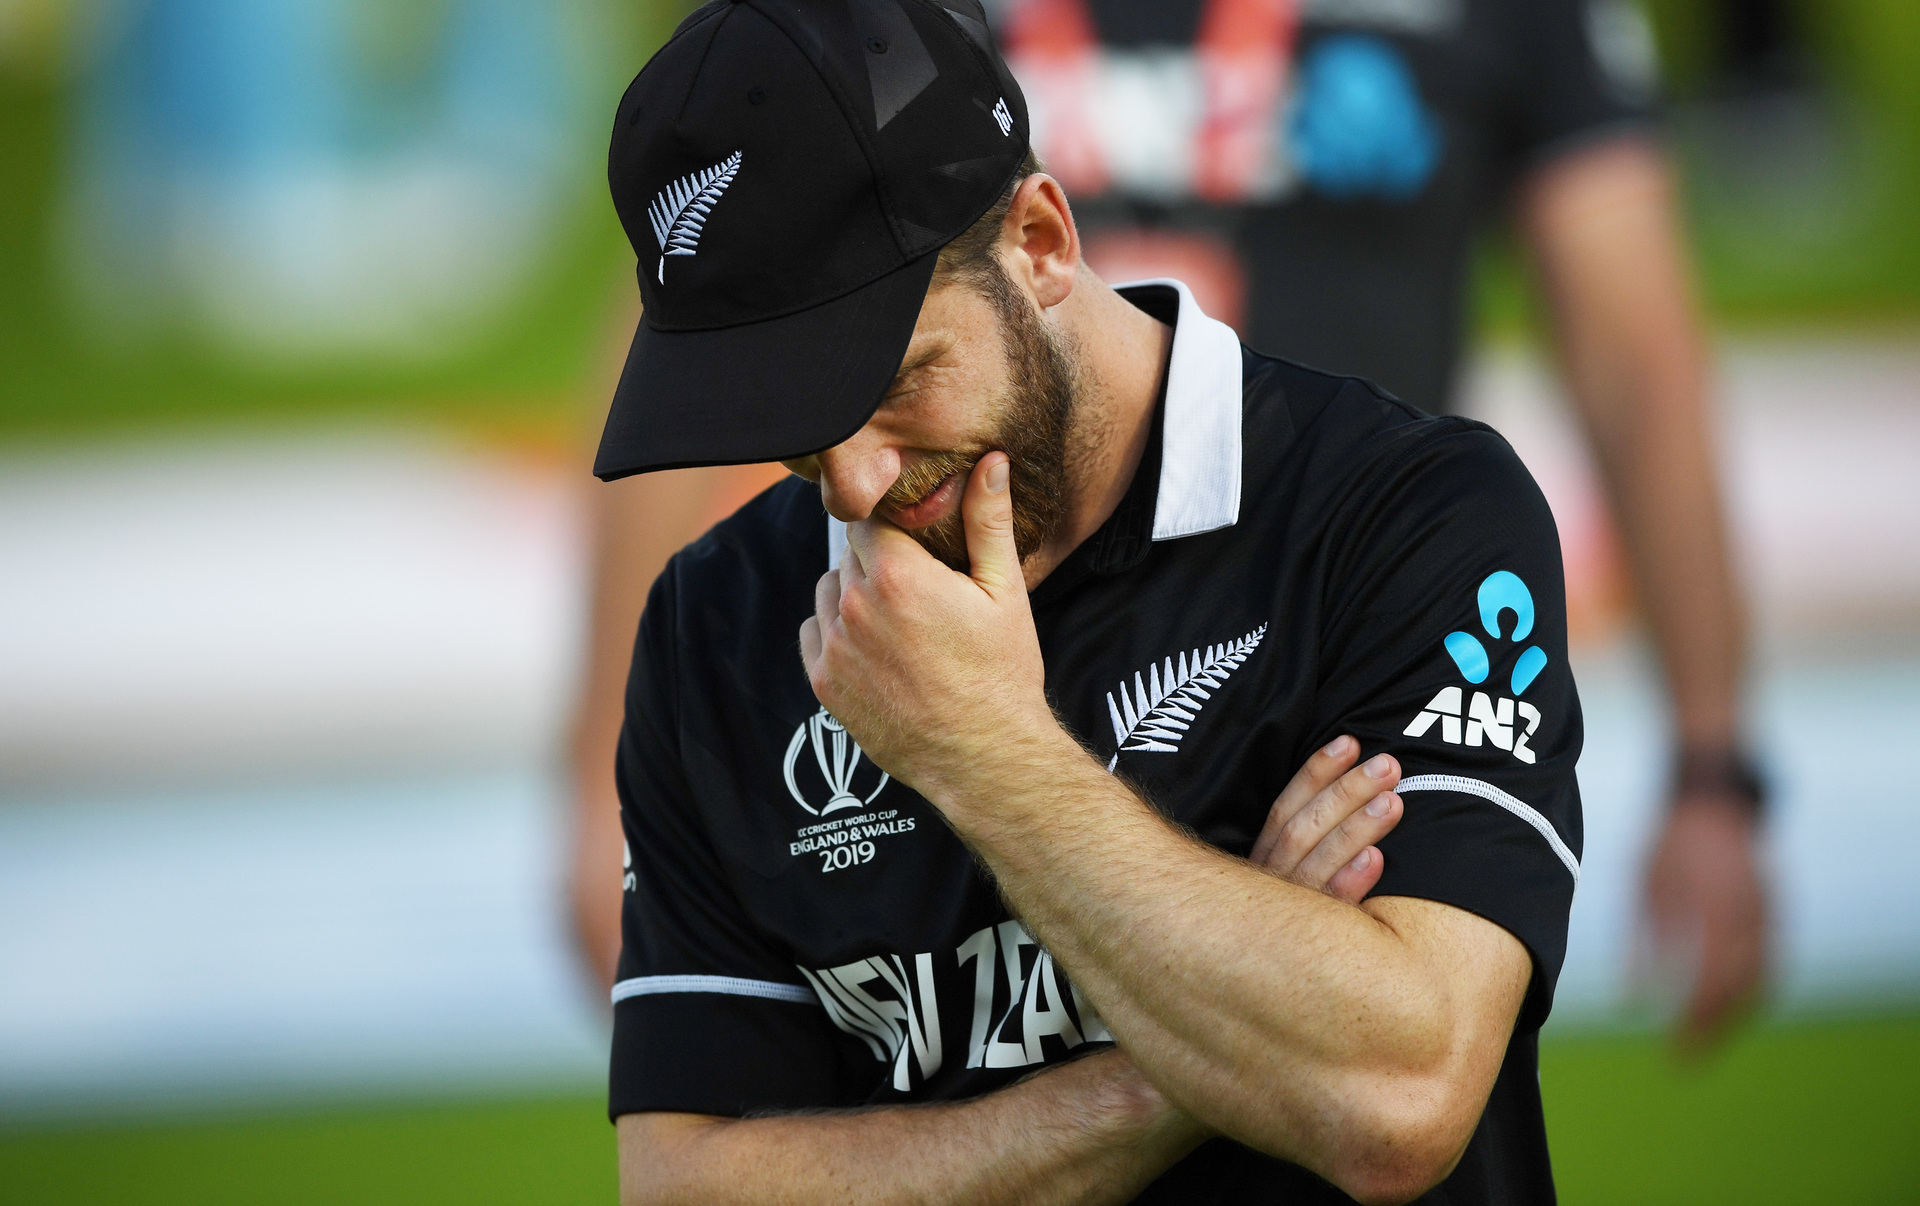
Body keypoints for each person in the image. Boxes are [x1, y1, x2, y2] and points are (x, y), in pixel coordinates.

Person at [569, 0, 1766, 1049]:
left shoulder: (1421, 505)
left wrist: (1713, 765)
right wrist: (595, 781)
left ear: (1044, 243)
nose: (846, 480)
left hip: (1347, 646)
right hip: (949, 615)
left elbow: (1634, 353)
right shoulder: (834, 49)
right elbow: (737, 303)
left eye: (899, 375)